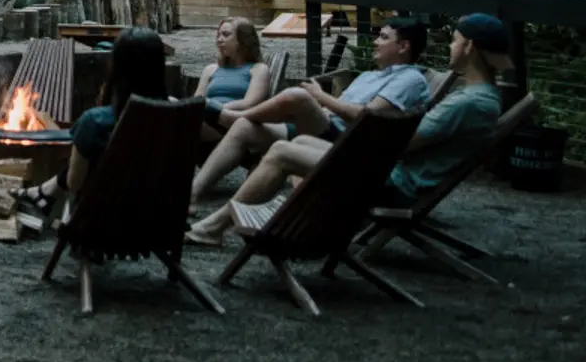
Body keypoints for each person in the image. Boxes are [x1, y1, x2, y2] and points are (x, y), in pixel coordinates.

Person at [186, 13, 513, 246]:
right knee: (291, 144)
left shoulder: (468, 103)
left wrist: (328, 106)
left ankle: (216, 226)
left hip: (389, 181)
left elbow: (401, 143)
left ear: (469, 47)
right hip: (383, 170)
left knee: (284, 150)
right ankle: (215, 219)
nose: (451, 47)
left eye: (455, 41)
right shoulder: (479, 99)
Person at [189, 15, 432, 201]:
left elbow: (369, 117)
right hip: (325, 128)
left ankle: (229, 116)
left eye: (384, 37)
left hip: (347, 141)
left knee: (297, 96)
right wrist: (320, 108)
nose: (376, 42)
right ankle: (192, 194)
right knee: (244, 127)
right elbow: (341, 107)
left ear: (403, 47)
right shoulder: (369, 75)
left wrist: (320, 97)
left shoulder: (410, 78)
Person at [12, 26, 169, 214]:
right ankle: (44, 192)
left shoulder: (95, 121)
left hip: (105, 221)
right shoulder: (177, 112)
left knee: (88, 158)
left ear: (116, 69)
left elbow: (74, 183)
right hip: (161, 217)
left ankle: (44, 193)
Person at [192, 17, 271, 142]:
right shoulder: (210, 69)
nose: (219, 39)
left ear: (243, 40)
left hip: (231, 125)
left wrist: (214, 109)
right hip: (203, 120)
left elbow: (250, 103)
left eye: (226, 35)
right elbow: (196, 100)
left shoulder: (258, 69)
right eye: (218, 35)